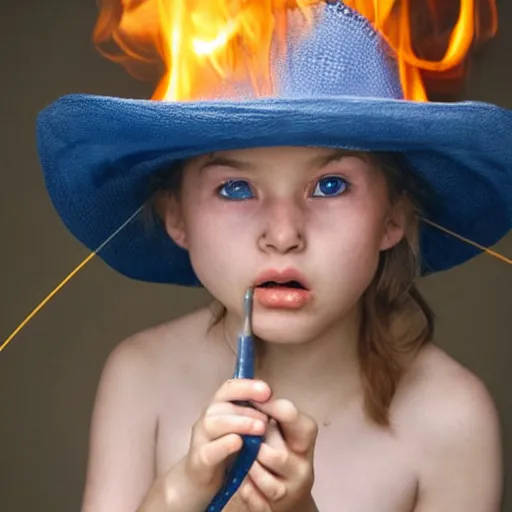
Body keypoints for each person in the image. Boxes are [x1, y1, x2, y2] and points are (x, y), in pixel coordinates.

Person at [34, 1, 510, 511]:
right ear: (176, 216)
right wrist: (178, 495)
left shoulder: (452, 419)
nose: (283, 235)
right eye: (236, 188)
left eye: (330, 185)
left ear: (394, 216)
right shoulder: (140, 375)